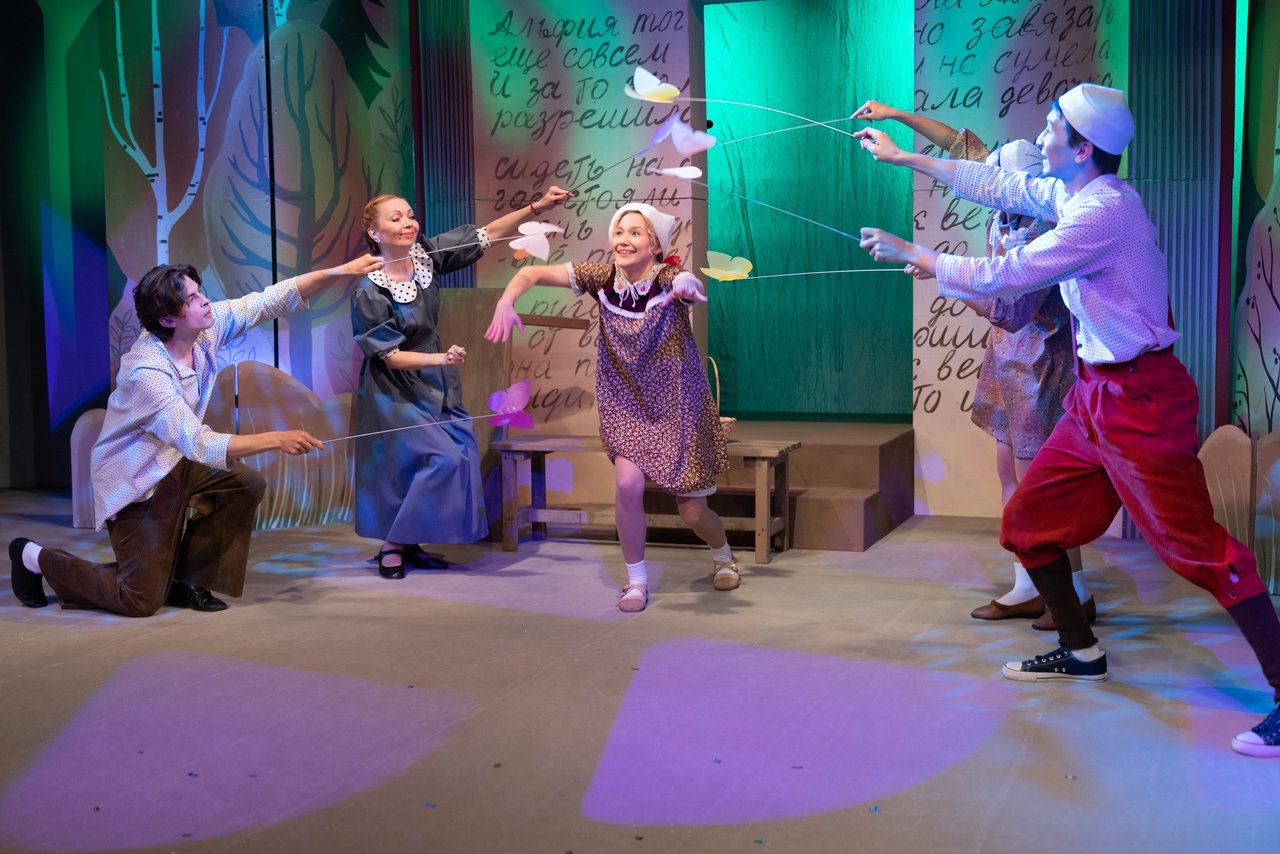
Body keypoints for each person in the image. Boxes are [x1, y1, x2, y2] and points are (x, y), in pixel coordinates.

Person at [855, 83, 1280, 757]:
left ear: (1082, 149)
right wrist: (905, 157)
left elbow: (1014, 272)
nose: (1041, 136)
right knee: (1026, 525)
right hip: (1095, 395)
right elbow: (999, 184)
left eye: (1052, 127)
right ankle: (1079, 649)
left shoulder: (1104, 214)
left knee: (1200, 551)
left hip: (1141, 401)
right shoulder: (1075, 194)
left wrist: (919, 255)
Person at [8, 256, 381, 616]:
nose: (204, 301)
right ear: (168, 319)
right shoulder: (147, 373)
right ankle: (32, 557)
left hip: (175, 460)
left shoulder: (203, 331)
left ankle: (187, 580)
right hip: (137, 478)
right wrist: (277, 439)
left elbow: (267, 301)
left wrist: (340, 271)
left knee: (243, 482)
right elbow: (198, 441)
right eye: (192, 299)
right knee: (138, 597)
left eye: (199, 291)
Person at [853, 100, 1090, 630]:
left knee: (1040, 481)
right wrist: (895, 115)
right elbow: (955, 146)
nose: (985, 184)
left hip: (1040, 360)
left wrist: (939, 272)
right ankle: (1029, 583)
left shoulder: (1044, 227)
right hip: (1008, 358)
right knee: (1009, 469)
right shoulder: (1007, 189)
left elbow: (1012, 310)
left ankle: (1072, 593)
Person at [483, 202, 735, 612]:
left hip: (676, 406)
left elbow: (685, 280)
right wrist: (506, 301)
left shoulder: (666, 278)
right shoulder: (601, 278)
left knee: (692, 512)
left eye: (636, 232)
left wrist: (688, 286)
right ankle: (636, 582)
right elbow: (530, 273)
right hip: (625, 403)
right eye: (619, 231)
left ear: (655, 245)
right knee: (627, 484)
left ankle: (722, 554)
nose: (624, 239)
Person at [352, 186, 571, 578]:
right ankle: (392, 544)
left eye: (409, 215)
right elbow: (388, 355)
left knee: (461, 450)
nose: (408, 223)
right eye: (396, 218)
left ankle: (410, 541)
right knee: (436, 459)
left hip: (435, 377)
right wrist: (439, 359)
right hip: (394, 385)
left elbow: (485, 235)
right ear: (374, 233)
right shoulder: (370, 289)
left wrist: (535, 206)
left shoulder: (426, 256)